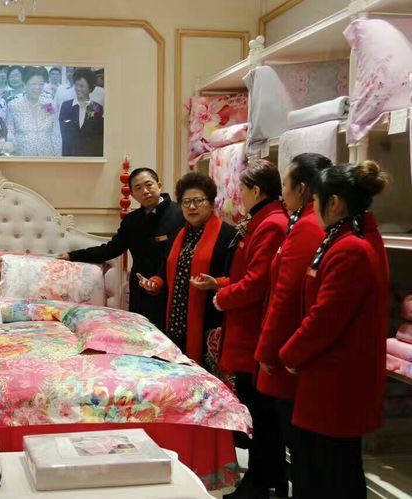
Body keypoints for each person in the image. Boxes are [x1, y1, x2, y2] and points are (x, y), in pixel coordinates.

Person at [279, 161, 390, 498]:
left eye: (316, 199)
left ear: (335, 203)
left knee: (329, 472)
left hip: (334, 382)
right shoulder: (345, 240)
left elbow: (324, 319)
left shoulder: (350, 249)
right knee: (330, 467)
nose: (313, 206)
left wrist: (289, 354)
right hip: (329, 377)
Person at [192, 159, 288, 498]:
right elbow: (247, 274)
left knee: (261, 414)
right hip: (246, 327)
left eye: (242, 189)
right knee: (258, 410)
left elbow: (257, 282)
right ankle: (268, 477)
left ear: (257, 191)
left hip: (252, 330)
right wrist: (219, 283)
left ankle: (261, 483)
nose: (238, 195)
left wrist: (222, 297)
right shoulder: (260, 221)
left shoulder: (271, 225)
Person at [254, 153, 331, 498]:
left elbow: (284, 295)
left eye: (285, 184)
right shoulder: (307, 223)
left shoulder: (305, 228)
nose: (281, 192)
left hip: (288, 351)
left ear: (301, 188)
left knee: (300, 447)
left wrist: (267, 351)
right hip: (294, 348)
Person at [61, 168, 184, 331]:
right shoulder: (132, 221)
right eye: (138, 188)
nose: (145, 191)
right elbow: (111, 249)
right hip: (141, 291)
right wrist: (72, 255)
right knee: (141, 335)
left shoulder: (180, 214)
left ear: (159, 185)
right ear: (132, 194)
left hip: (173, 289)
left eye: (149, 185)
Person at [140, 171, 236, 372]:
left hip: (209, 323)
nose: (191, 207)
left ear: (211, 203)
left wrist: (216, 283)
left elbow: (237, 278)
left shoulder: (227, 235)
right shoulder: (180, 234)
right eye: (186, 202)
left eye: (198, 201)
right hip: (177, 321)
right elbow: (165, 270)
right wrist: (155, 282)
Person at [6, 66, 61, 156]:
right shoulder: (13, 105)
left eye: (41, 84)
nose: (37, 87)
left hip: (47, 156)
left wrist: (58, 157)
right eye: (34, 84)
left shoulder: (49, 104)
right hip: (23, 156)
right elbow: (10, 132)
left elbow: (56, 132)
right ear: (25, 84)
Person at [59, 68, 104, 157]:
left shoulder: (96, 108)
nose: (78, 89)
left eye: (82, 86)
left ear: (90, 88)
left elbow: (99, 136)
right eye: (76, 85)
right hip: (70, 154)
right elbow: (63, 132)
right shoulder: (66, 106)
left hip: (90, 155)